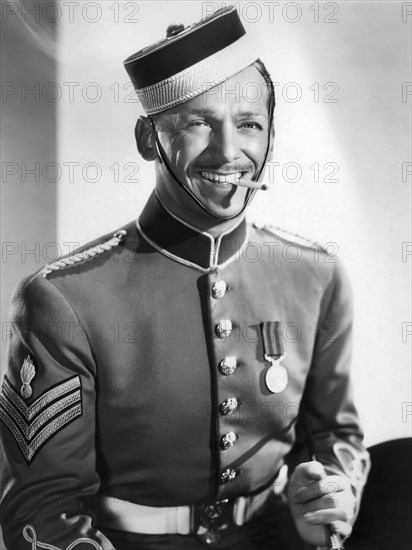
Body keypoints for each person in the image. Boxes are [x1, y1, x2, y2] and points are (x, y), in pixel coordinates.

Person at [0, 6, 370, 550]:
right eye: (199, 122)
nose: (229, 152)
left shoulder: (317, 276)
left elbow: (335, 434)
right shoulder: (62, 299)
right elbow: (39, 509)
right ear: (149, 139)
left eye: (249, 124)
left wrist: (332, 490)